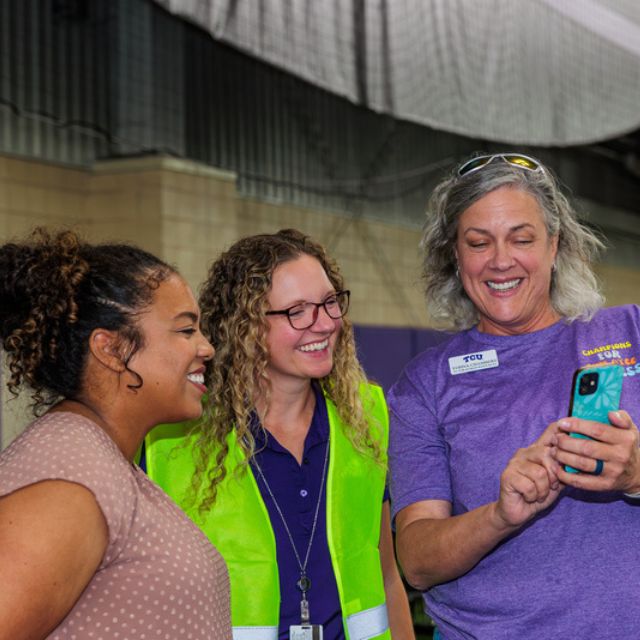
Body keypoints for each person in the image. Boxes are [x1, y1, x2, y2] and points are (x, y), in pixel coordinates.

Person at [388, 153, 640, 639]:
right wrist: (500, 516)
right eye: (478, 243)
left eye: (522, 239)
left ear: (554, 245)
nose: (501, 261)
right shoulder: (427, 384)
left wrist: (636, 473)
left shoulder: (630, 332)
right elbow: (416, 561)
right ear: (455, 257)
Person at [145, 229, 415, 640]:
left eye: (329, 303)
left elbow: (386, 573)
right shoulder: (173, 440)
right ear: (246, 327)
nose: (324, 324)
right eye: (297, 311)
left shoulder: (367, 415)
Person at [0, 229, 231, 640]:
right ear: (111, 350)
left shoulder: (100, 460)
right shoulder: (69, 478)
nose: (206, 347)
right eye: (185, 330)